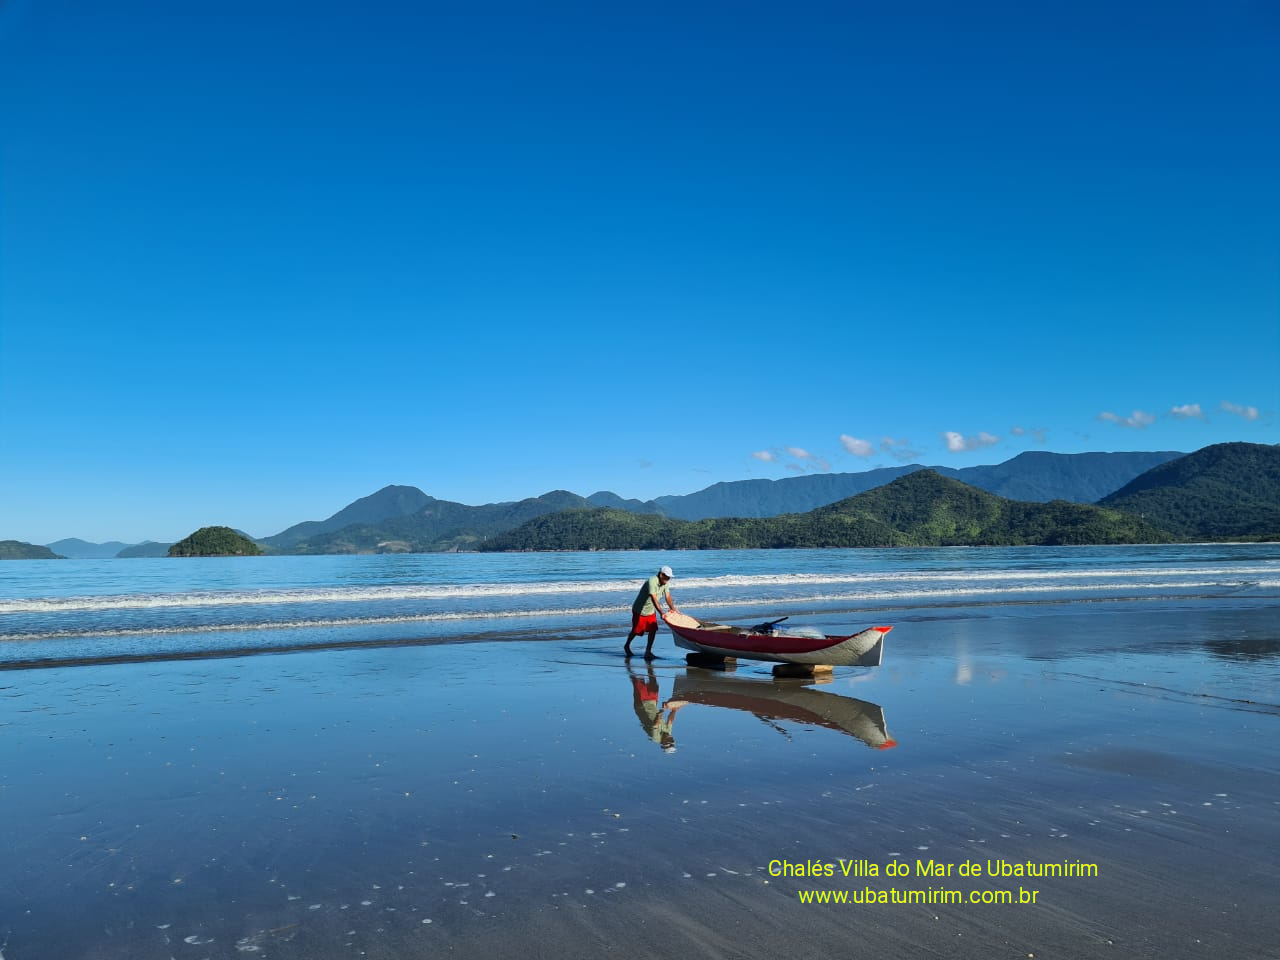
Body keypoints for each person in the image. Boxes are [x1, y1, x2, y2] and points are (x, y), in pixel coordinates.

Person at [624, 564, 680, 660]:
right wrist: (662, 613)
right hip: (640, 610)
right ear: (661, 575)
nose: (668, 579)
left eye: (669, 578)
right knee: (636, 631)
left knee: (653, 630)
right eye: (667, 577)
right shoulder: (652, 581)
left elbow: (668, 596)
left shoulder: (665, 583)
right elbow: (654, 599)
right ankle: (627, 645)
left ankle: (648, 651)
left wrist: (673, 608)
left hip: (651, 610)